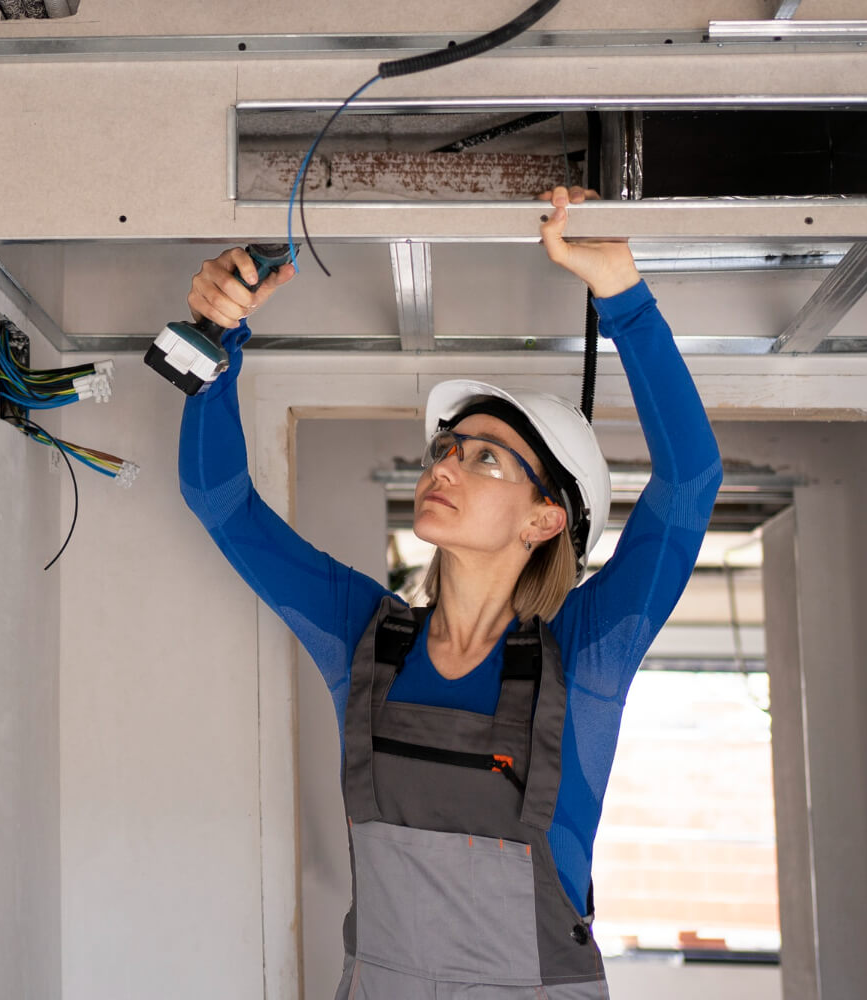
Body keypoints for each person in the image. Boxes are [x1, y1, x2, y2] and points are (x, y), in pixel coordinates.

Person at [179, 186, 722, 999]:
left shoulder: (586, 655)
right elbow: (219, 501)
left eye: (486, 459)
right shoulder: (364, 636)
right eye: (447, 447)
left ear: (544, 520)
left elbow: (689, 483)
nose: (445, 466)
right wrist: (214, 340)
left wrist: (624, 297)